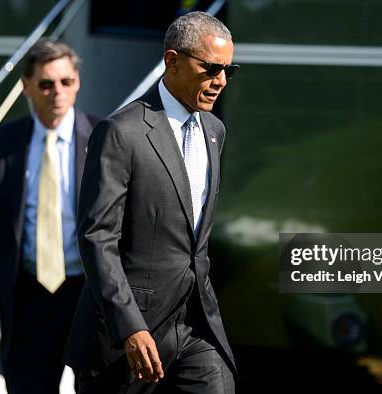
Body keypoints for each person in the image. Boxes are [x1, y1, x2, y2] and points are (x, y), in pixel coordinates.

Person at [64, 11, 239, 393]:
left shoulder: (214, 131)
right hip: (127, 335)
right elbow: (97, 238)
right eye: (211, 68)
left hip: (196, 327)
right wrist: (129, 326)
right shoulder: (120, 133)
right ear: (172, 61)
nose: (221, 81)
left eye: (229, 70)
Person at [0, 38, 99, 393]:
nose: (57, 91)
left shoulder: (105, 139)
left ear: (78, 82)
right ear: (26, 86)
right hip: (26, 297)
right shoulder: (1, 145)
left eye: (66, 82)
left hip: (90, 293)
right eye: (46, 83)